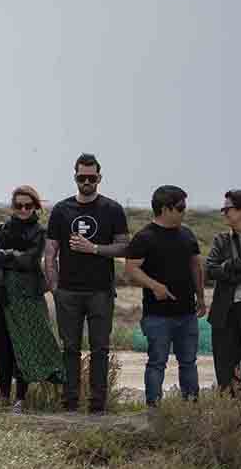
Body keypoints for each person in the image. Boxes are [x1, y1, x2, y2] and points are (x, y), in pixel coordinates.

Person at [43, 154, 131, 414]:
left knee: (100, 349)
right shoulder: (61, 210)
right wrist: (55, 287)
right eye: (82, 177)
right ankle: (69, 403)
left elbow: (125, 247)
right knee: (69, 348)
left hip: (100, 291)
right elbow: (50, 252)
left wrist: (94, 248)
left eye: (91, 178)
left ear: (99, 178)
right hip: (68, 291)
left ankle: (97, 405)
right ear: (75, 177)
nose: (87, 182)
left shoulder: (112, 209)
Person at [126, 186, 203, 406]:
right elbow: (131, 269)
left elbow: (195, 265)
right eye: (180, 207)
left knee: (188, 362)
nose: (184, 212)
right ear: (165, 209)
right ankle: (153, 410)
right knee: (157, 363)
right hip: (157, 315)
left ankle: (191, 408)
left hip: (187, 313)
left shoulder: (187, 234)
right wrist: (154, 286)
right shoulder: (145, 237)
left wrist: (201, 297)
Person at [0, 185, 63, 411]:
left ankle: (20, 399)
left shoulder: (40, 232)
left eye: (27, 205)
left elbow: (29, 261)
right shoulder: (2, 228)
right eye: (18, 205)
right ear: (12, 207)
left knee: (24, 346)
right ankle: (3, 396)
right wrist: (5, 256)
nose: (23, 209)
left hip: (27, 296)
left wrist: (1, 255)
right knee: (3, 348)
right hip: (2, 295)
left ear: (35, 207)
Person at [205, 190, 241, 394]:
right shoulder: (222, 240)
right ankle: (226, 412)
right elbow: (210, 270)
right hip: (225, 312)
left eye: (228, 209)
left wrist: (226, 268)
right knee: (225, 367)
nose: (224, 213)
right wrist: (231, 268)